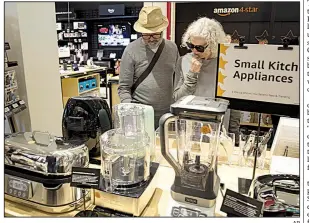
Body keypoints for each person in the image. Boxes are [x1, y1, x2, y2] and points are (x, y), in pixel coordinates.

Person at [173, 17, 241, 145]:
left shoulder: (226, 63)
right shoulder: (184, 61)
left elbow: (235, 104)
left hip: (219, 133)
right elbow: (177, 98)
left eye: (199, 48)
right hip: (189, 131)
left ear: (213, 44)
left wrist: (234, 134)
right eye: (191, 45)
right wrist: (192, 75)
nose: (194, 51)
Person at [118, 6, 179, 128]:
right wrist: (130, 110)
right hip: (140, 114)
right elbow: (124, 87)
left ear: (162, 30)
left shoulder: (172, 48)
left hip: (167, 115)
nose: (151, 38)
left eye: (155, 34)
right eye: (146, 35)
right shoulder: (131, 50)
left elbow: (178, 80)